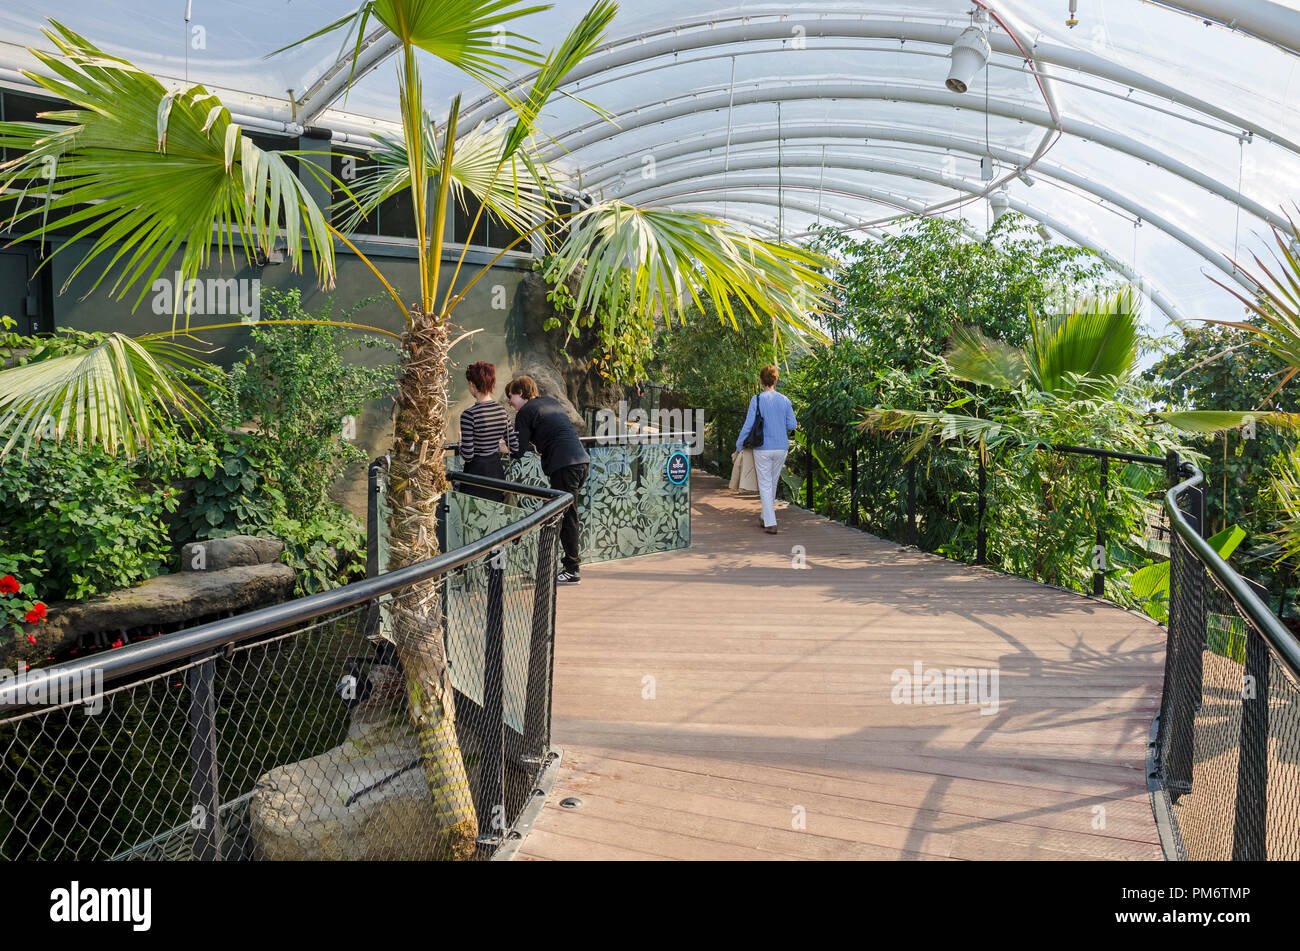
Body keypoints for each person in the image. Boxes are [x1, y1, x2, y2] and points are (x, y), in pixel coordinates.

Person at [507, 375, 590, 585]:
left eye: (511, 397)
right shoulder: (551, 402)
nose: (509, 402)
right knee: (558, 514)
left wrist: (503, 447)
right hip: (581, 461)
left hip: (564, 465)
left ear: (520, 393)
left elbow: (517, 450)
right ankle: (552, 567)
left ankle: (571, 569)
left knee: (566, 516)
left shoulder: (525, 411)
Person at [735, 364, 798, 534]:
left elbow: (748, 425)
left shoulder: (757, 399)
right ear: (776, 380)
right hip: (781, 447)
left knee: (765, 484)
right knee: (772, 482)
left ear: (761, 381)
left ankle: (771, 522)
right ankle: (764, 516)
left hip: (762, 447)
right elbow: (792, 424)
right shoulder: (785, 400)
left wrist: (739, 444)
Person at [458, 361, 518, 503]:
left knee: (473, 518)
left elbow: (467, 455)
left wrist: (460, 442)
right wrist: (494, 445)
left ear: (472, 384)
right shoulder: (501, 411)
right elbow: (514, 446)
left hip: (475, 476)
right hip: (496, 472)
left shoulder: (469, 415)